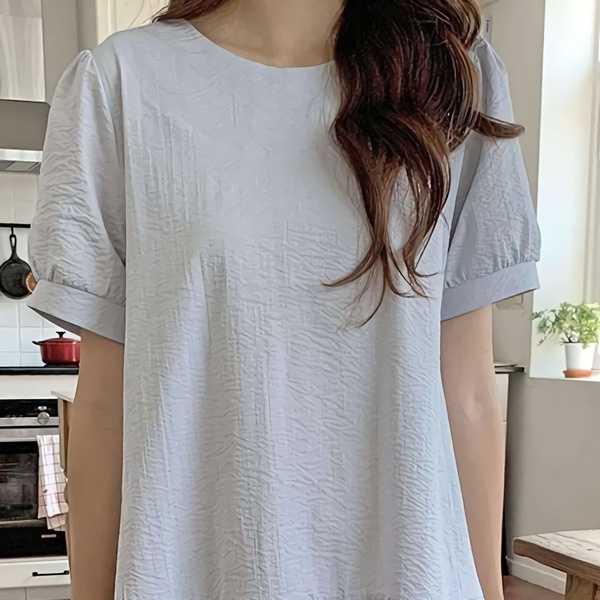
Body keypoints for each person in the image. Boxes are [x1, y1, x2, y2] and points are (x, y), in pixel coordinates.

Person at [27, 1, 541, 599]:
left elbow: (470, 395)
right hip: (202, 574)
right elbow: (104, 408)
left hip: (410, 573)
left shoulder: (452, 74)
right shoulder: (119, 85)